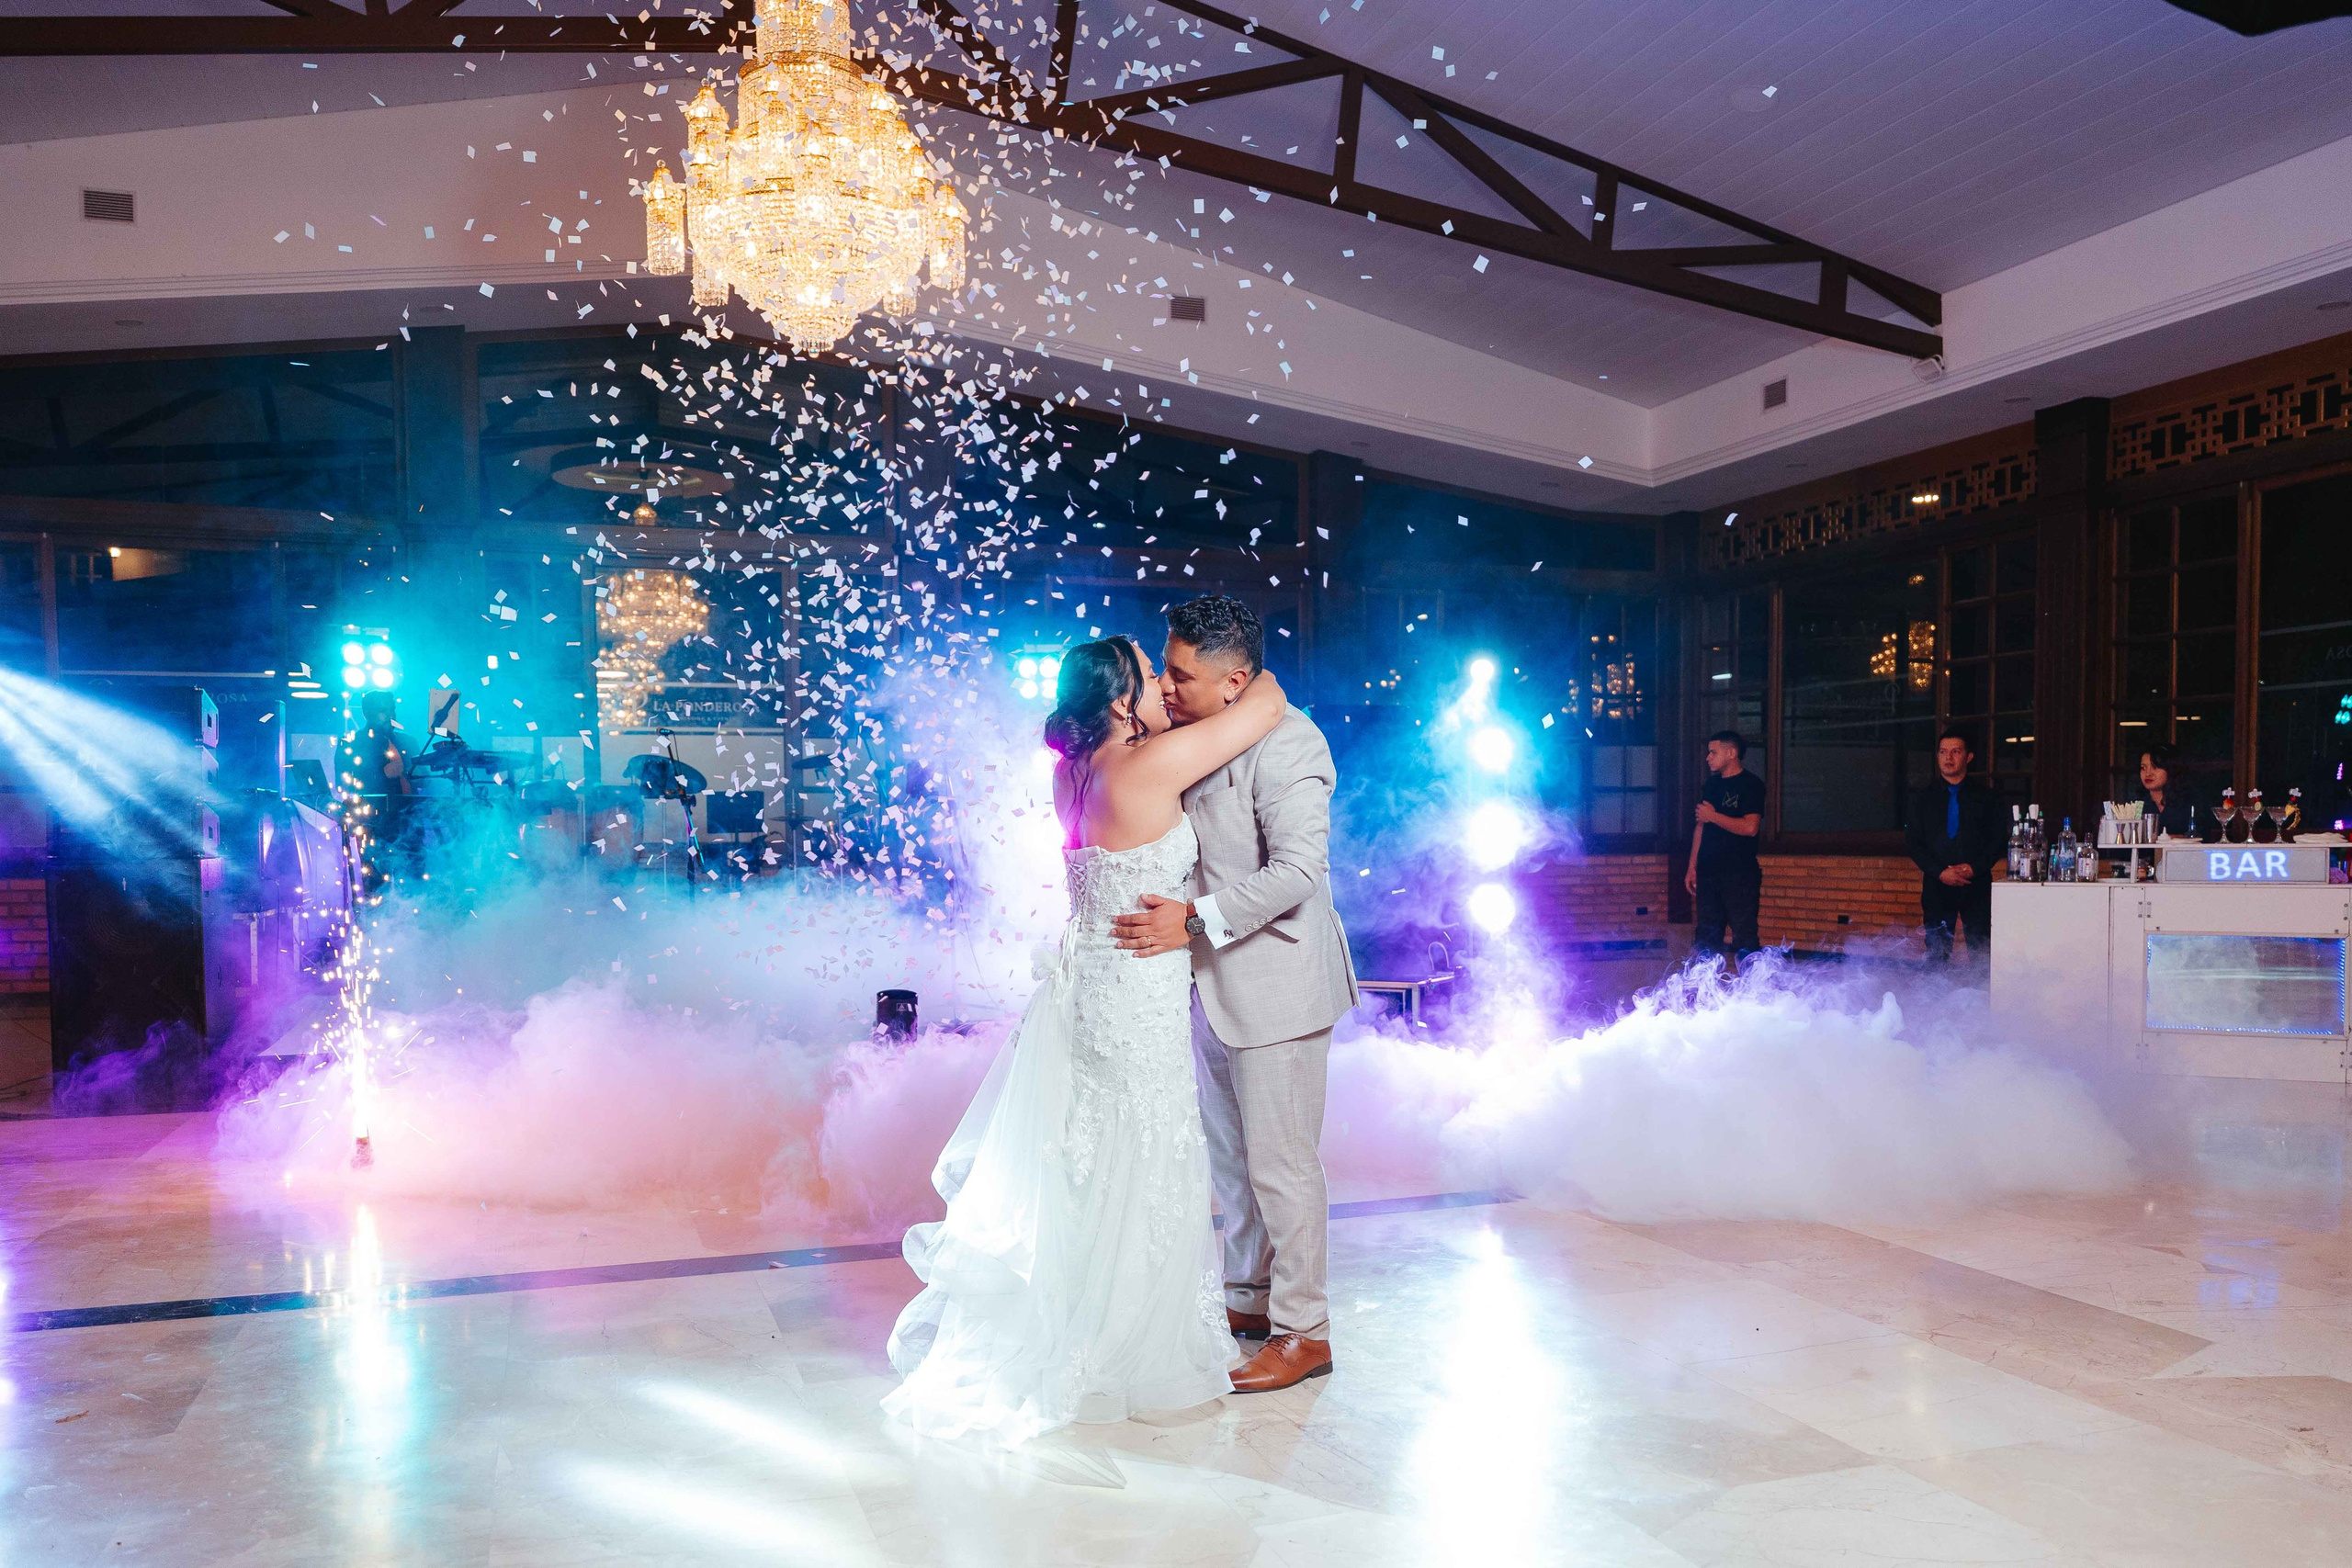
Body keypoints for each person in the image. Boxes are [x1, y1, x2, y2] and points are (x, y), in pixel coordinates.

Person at [884, 635, 1289, 1447]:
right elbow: (1268, 701)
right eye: (1151, 676)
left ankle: (1083, 1323)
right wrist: (1234, 664)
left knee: (1091, 1161)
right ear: (1117, 700)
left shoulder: (1075, 772)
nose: (1163, 689)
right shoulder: (1146, 765)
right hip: (1133, 990)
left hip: (1087, 988)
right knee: (1144, 1160)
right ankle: (1121, 1350)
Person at [1110, 595, 1359, 1394]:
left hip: (1277, 982)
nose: (1167, 688)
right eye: (1165, 670)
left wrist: (1195, 920)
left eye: (1180, 675)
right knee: (1232, 1162)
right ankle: (1250, 1302)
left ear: (1236, 681)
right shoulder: (1190, 732)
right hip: (1206, 983)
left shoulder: (1291, 745)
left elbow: (1297, 873)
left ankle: (1305, 1330)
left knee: (1283, 1166)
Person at [1905, 727, 2006, 964]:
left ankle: (1983, 999)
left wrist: (1974, 868)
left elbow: (1997, 840)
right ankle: (1934, 1000)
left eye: (1955, 752)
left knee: (1983, 950)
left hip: (1977, 883)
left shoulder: (1987, 797)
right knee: (1936, 953)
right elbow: (1914, 843)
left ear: (1968, 757)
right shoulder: (1922, 799)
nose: (1948, 758)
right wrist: (1940, 872)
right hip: (1937, 883)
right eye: (1943, 752)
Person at [1687, 729, 1765, 963]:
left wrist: (1714, 816)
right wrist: (1692, 866)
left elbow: (1751, 827)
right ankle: (1705, 991)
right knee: (1706, 937)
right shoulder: (1711, 785)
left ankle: (1752, 990)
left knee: (1744, 936)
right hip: (1709, 872)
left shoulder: (1750, 784)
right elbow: (1701, 826)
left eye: (1713, 752)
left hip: (1739, 874)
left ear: (1732, 753)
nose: (1708, 757)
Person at [2134, 740, 2201, 839]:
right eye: (2143, 768)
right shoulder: (2137, 805)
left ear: (2171, 769)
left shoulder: (2190, 801)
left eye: (2155, 767)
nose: (2148, 773)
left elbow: (2201, 837)